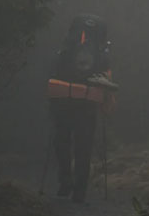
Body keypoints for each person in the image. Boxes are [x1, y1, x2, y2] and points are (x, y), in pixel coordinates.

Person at [47, 13, 117, 203]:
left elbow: (54, 71)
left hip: (63, 103)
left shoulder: (67, 49)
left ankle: (65, 181)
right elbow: (106, 79)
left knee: (61, 142)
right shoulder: (101, 55)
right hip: (87, 105)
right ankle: (80, 190)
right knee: (83, 147)